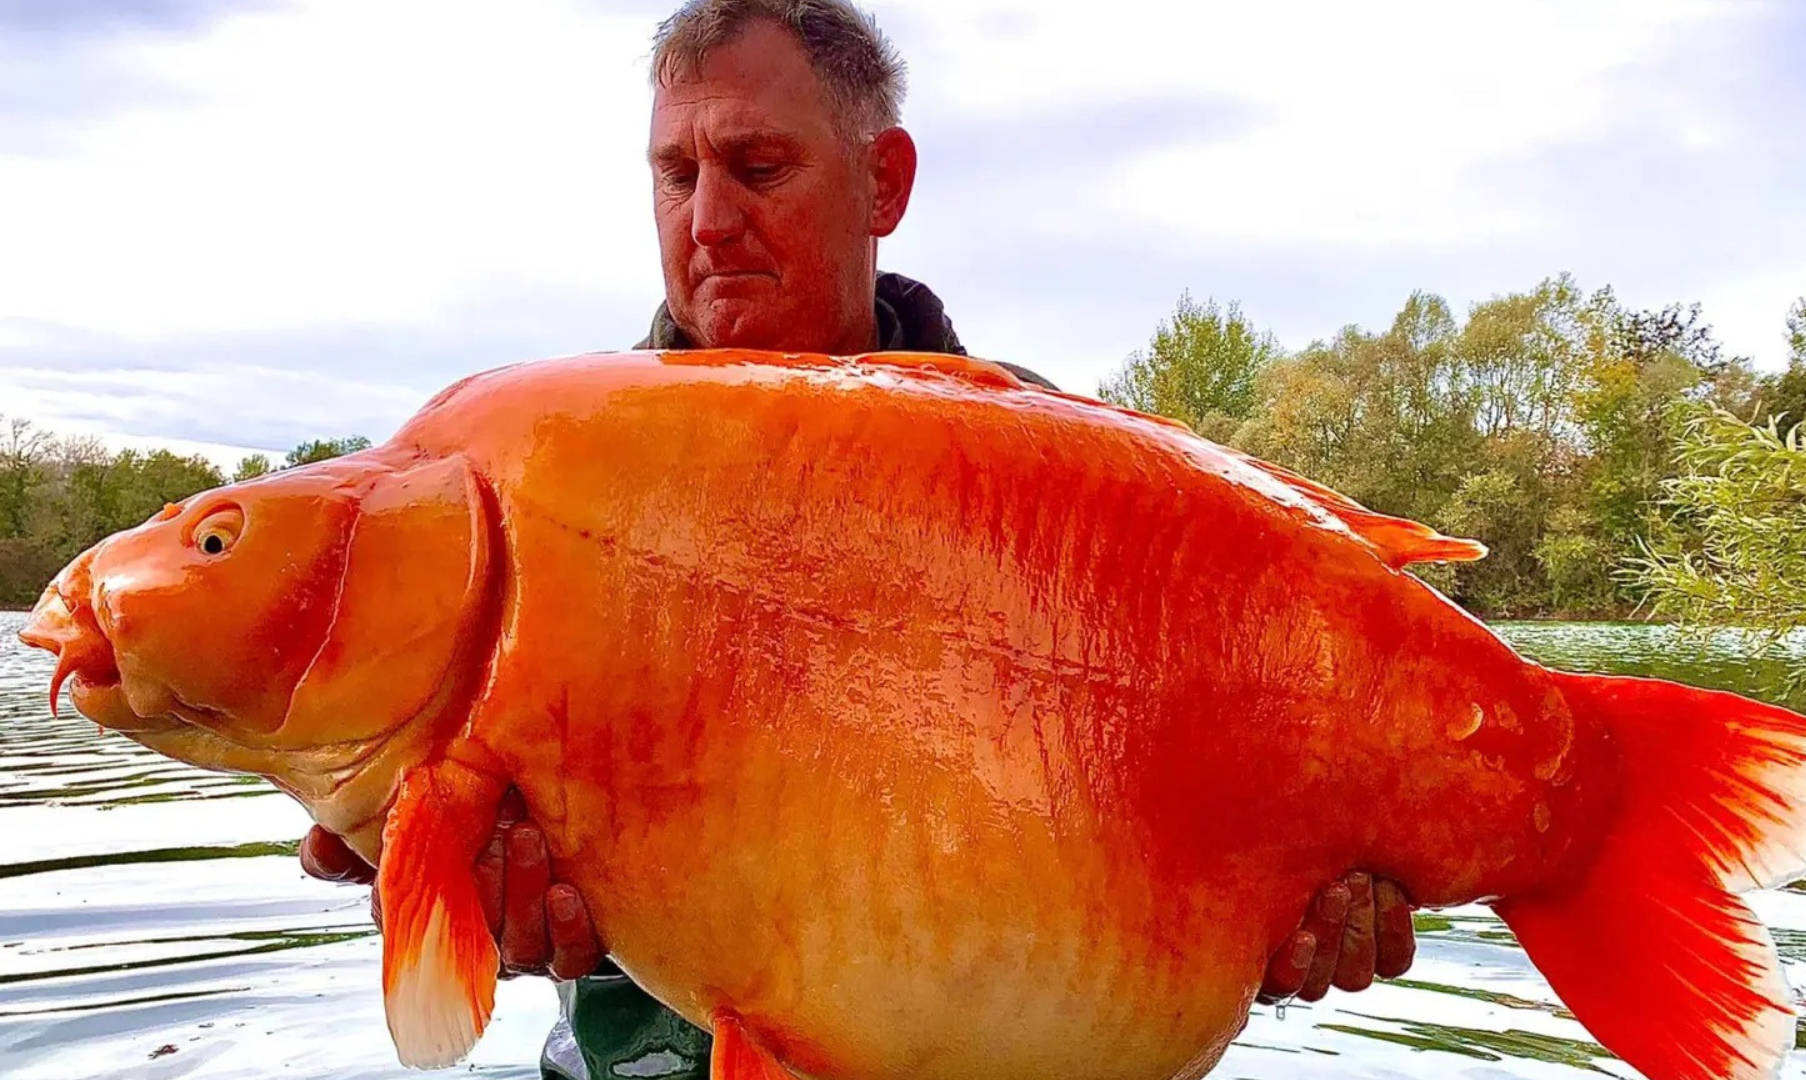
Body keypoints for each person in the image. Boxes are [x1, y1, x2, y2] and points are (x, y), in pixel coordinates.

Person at [299, 2, 1419, 1077]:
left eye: (760, 167)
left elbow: (1183, 854)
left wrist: (1279, 925)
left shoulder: (1078, 487)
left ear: (882, 182)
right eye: (676, 174)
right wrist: (421, 864)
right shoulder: (536, 480)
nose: (708, 219)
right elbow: (429, 847)